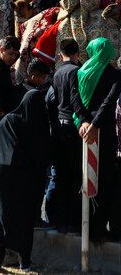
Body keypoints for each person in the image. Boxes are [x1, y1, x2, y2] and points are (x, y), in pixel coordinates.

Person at [0, 90, 50, 272]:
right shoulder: (36, 125)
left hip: (2, 173)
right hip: (26, 178)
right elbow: (42, 156)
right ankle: (25, 262)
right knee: (25, 217)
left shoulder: (10, 120)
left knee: (3, 214)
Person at [73, 38, 120, 242]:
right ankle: (99, 229)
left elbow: (74, 98)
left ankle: (84, 227)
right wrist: (95, 125)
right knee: (105, 180)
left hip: (82, 132)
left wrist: (83, 122)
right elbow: (109, 102)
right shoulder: (115, 75)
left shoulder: (82, 72)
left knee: (83, 178)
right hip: (104, 132)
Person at [44, 39, 86, 234]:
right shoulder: (76, 73)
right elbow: (76, 100)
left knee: (58, 176)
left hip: (58, 128)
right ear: (78, 54)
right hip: (72, 127)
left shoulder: (57, 73)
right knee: (74, 176)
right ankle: (71, 223)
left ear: (60, 55)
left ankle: (55, 221)